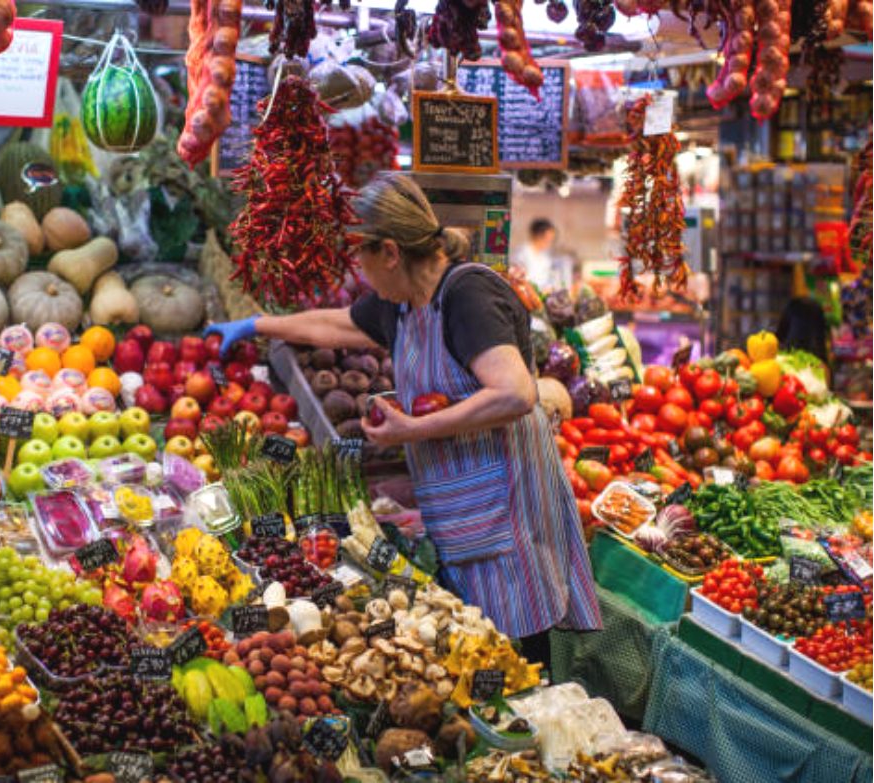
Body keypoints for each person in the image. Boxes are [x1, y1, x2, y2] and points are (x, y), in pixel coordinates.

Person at [206, 173, 602, 661]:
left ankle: (534, 721)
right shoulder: (402, 305)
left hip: (506, 502)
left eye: (360, 255)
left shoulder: (467, 296)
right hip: (462, 504)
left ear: (390, 252)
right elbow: (335, 323)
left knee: (517, 645)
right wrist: (254, 325)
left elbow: (516, 393)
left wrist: (413, 430)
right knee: (476, 639)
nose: (359, 269)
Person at [512, 218, 571, 293]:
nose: (549, 242)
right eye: (547, 239)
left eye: (551, 239)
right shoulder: (521, 254)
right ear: (538, 235)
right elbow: (520, 281)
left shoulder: (545, 256)